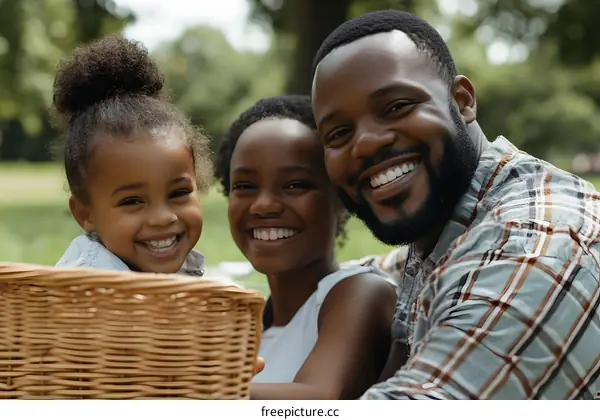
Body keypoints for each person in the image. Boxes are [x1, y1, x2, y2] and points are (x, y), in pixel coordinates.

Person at [311, 10, 600, 399]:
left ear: (461, 101)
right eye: (339, 133)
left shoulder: (534, 249)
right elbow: (381, 269)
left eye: (396, 107)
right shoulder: (449, 230)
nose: (365, 143)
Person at [213, 95, 397, 399]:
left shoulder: (361, 292)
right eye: (245, 186)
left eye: (295, 185)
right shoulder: (248, 329)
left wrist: (177, 392)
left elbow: (319, 399)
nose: (264, 205)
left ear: (342, 200)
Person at [52, 35, 212, 276]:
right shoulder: (89, 287)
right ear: (86, 214)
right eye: (132, 201)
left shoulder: (181, 271)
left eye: (179, 193)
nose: (162, 218)